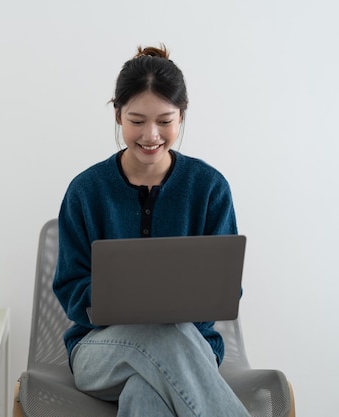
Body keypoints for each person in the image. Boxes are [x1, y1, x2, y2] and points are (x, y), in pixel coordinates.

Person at [52, 45, 251, 416]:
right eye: (137, 120)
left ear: (182, 116)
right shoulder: (86, 191)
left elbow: (226, 290)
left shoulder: (208, 187)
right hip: (99, 351)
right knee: (160, 337)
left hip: (192, 347)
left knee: (144, 394)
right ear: (117, 115)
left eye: (165, 120)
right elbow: (69, 288)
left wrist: (174, 302)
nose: (150, 135)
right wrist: (117, 294)